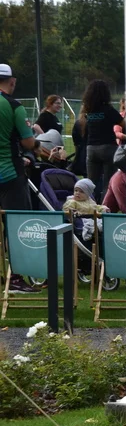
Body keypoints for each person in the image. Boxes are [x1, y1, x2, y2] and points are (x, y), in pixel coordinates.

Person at [0, 63, 41, 294]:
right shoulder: (13, 105)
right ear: (12, 81)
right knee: (17, 226)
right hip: (8, 175)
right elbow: (27, 141)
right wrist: (41, 148)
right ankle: (15, 278)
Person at [80, 79, 123, 204]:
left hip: (91, 148)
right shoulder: (108, 110)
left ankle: (89, 207)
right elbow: (123, 123)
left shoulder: (89, 111)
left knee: (91, 183)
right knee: (108, 183)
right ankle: (104, 210)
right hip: (108, 147)